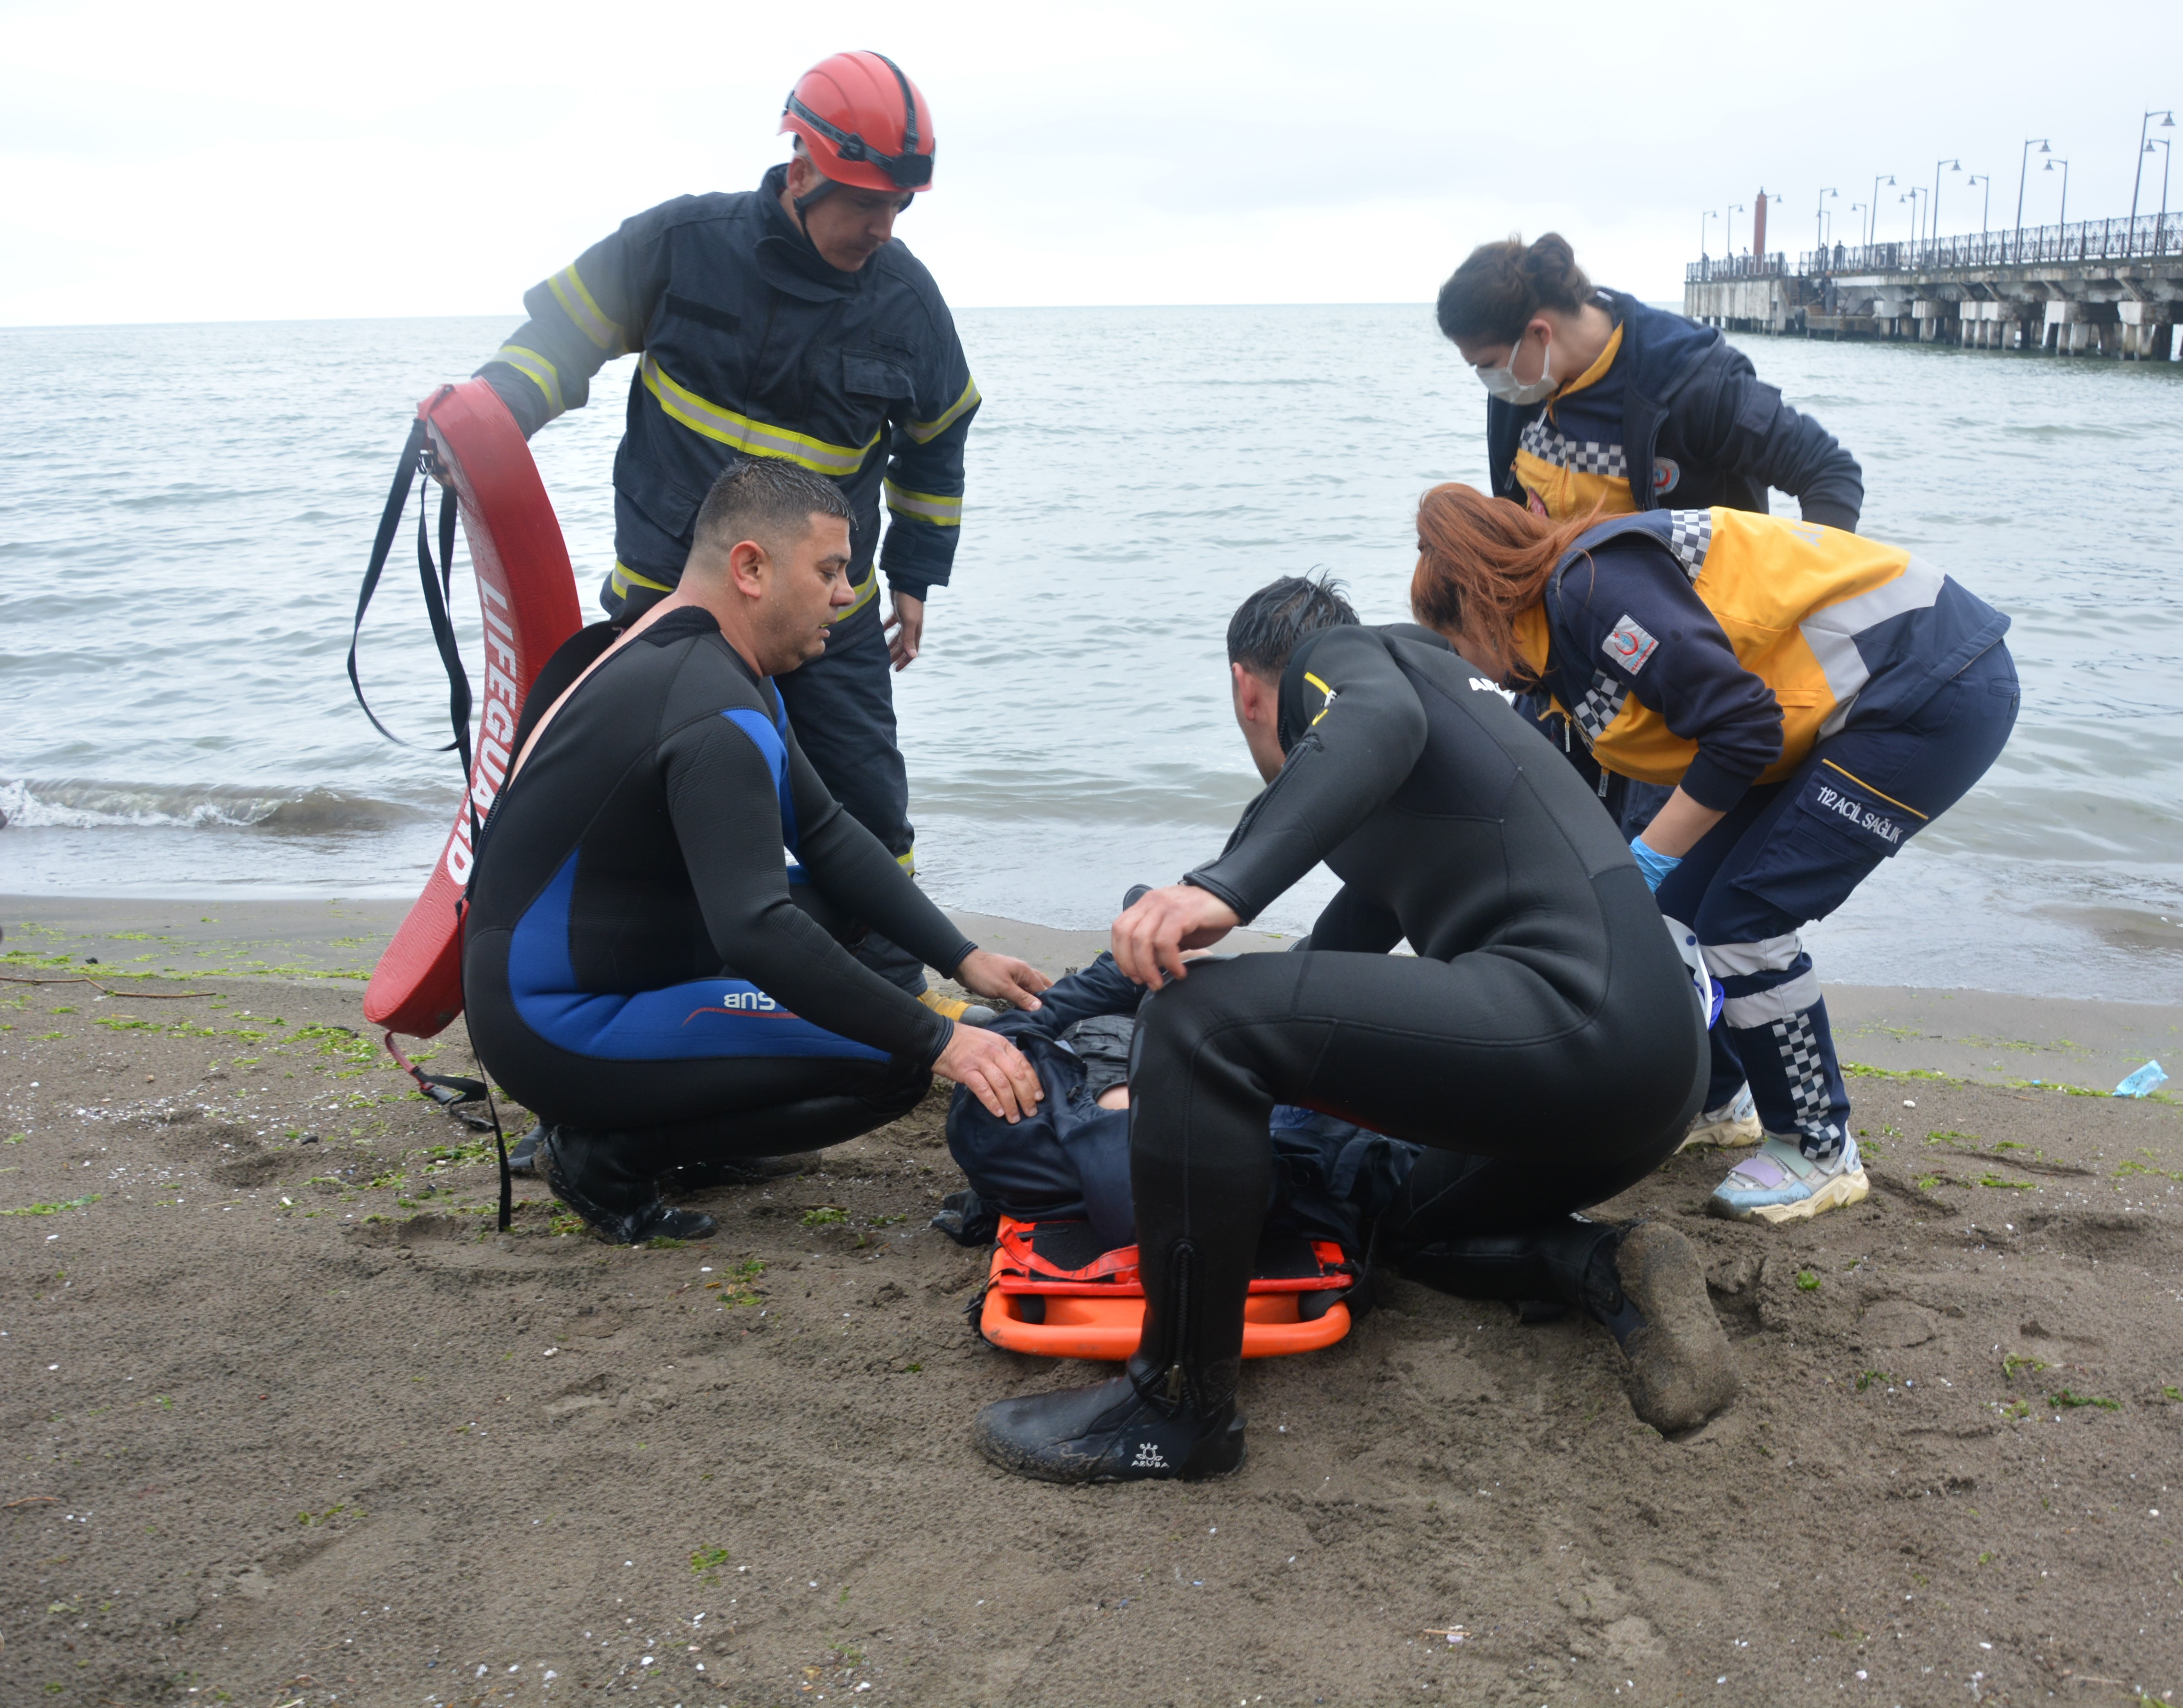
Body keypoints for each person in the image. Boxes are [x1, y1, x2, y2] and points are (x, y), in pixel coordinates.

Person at [972, 575, 1741, 1485]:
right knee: (1397, 1220)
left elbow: (1373, 720)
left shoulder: (1355, 661)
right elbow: (1321, 980)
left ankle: (1177, 1406)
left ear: (1247, 688)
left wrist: (1226, 884)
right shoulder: (1434, 753)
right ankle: (1602, 1262)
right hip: (1651, 1078)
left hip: (1578, 1021)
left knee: (1197, 1028)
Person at [472, 50, 979, 1012]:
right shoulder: (681, 244)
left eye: (901, 208)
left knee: (866, 805)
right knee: (641, 808)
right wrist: (486, 416)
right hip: (668, 604)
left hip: (823, 613)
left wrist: (914, 572)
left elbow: (940, 433)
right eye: (867, 203)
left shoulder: (907, 303)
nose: (883, 227)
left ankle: (888, 985)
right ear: (801, 171)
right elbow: (556, 341)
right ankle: (647, 980)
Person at [461, 458, 1050, 1245]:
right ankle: (609, 1151)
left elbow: (831, 835)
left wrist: (964, 956)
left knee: (845, 908)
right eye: (832, 570)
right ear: (751, 568)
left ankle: (680, 1118)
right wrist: (941, 1038)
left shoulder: (709, 662)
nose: (847, 594)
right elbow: (756, 929)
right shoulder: (711, 711)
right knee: (894, 1064)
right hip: (559, 1025)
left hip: (578, 967)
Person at [1405, 485, 2017, 1228]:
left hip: (1929, 685)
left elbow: (1742, 729)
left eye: (1455, 645)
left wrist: (1648, 857)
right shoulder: (1549, 656)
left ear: (1476, 607)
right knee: (1678, 912)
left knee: (1745, 921)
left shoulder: (1594, 590)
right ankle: (1723, 1098)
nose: (1474, 671)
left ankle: (1819, 1147)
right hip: (1831, 715)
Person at [1437, 232, 1864, 531]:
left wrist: (1804, 598)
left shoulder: (1695, 383)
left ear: (1539, 333)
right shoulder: (1523, 385)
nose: (1488, 379)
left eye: (1487, 364)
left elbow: (1828, 470)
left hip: (1684, 631)